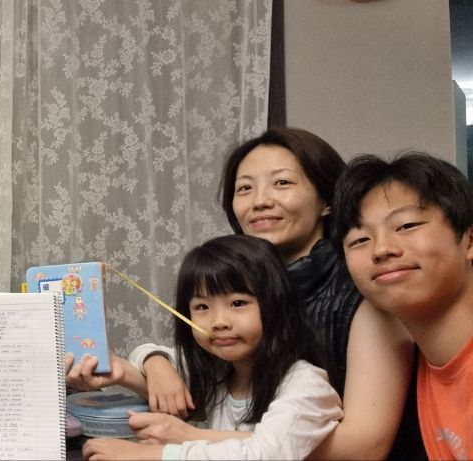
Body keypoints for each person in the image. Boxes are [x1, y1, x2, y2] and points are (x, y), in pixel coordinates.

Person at [70, 127, 421, 459]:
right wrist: (148, 365)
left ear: (327, 200)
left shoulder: (364, 293)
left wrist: (183, 441)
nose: (260, 201)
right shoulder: (246, 282)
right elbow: (213, 385)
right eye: (245, 189)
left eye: (282, 183)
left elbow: (364, 447)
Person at [71, 235, 342, 460]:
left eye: (238, 303)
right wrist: (152, 363)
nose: (219, 322)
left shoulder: (306, 384)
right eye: (202, 307)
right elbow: (145, 351)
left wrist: (156, 454)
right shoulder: (216, 371)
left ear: (275, 303)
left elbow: (264, 454)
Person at [331, 152, 473, 460]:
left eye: (407, 225)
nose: (382, 249)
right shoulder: (424, 363)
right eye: (359, 240)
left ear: (469, 241)